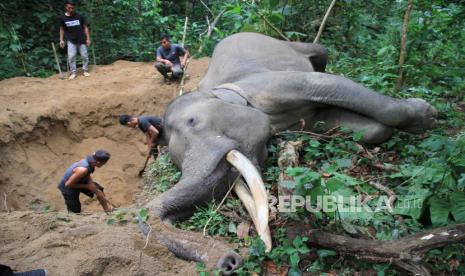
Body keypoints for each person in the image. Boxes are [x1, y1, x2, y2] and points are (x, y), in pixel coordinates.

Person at [59, 0, 91, 80]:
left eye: (73, 8)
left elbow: (85, 27)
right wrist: (61, 40)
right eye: (69, 8)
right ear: (66, 7)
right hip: (71, 40)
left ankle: (85, 70)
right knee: (71, 56)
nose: (71, 10)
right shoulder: (62, 18)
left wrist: (88, 39)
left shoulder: (79, 16)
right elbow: (62, 29)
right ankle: (73, 72)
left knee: (84, 56)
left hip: (81, 39)